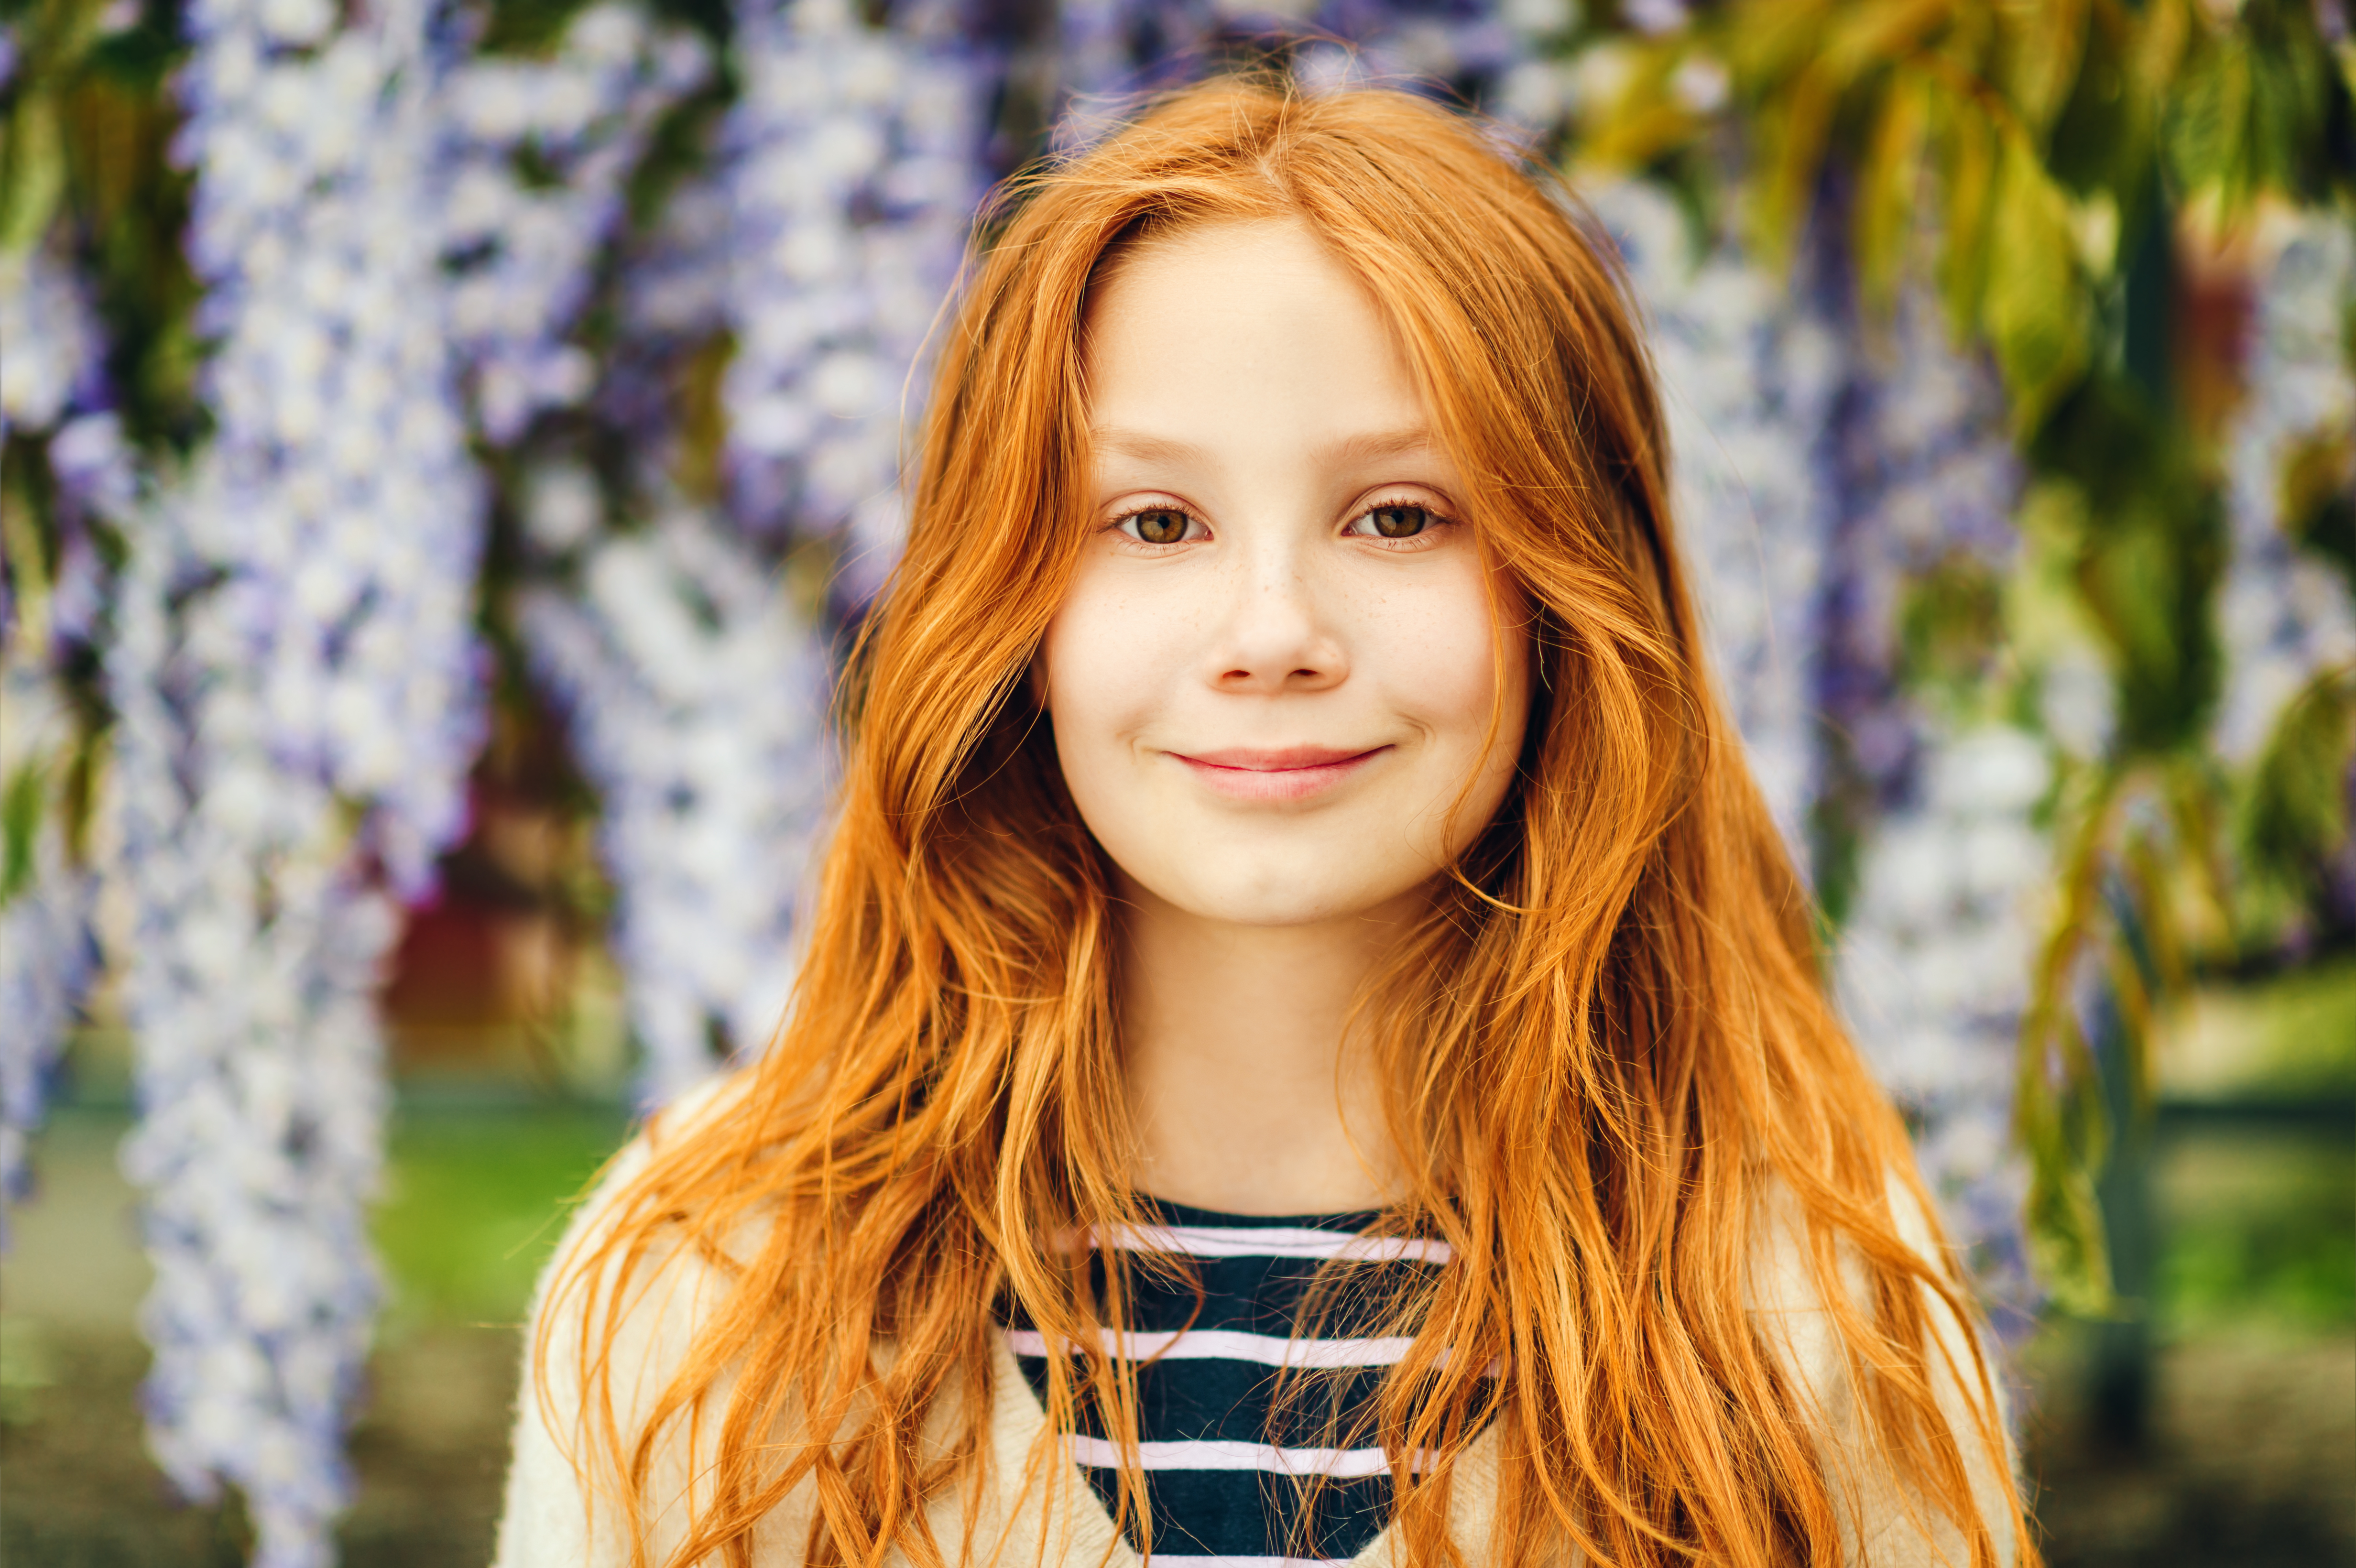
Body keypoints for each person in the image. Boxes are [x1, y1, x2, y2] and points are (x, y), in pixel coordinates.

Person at [494, 74, 2030, 1568]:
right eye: (1155, 523)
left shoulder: (1801, 1301)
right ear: (1006, 605)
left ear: (1579, 596)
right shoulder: (713, 1284)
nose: (1274, 630)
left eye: (1400, 516)